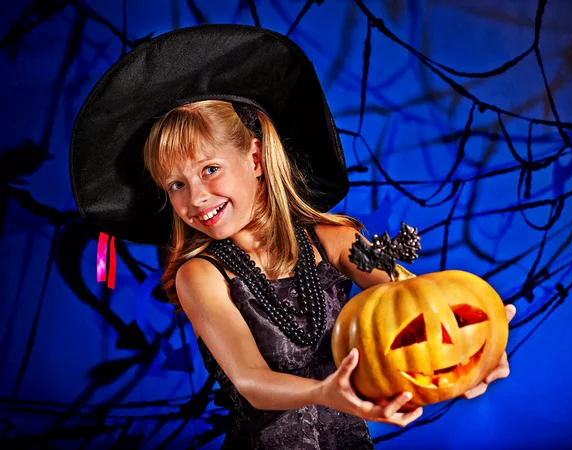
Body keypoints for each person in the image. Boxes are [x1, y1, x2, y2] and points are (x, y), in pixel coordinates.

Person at [70, 25, 515, 449]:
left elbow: (413, 304)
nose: (197, 198)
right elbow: (250, 380)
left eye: (210, 170)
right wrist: (327, 391)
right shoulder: (200, 275)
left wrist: (476, 341)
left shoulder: (336, 239)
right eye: (176, 185)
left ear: (257, 158)